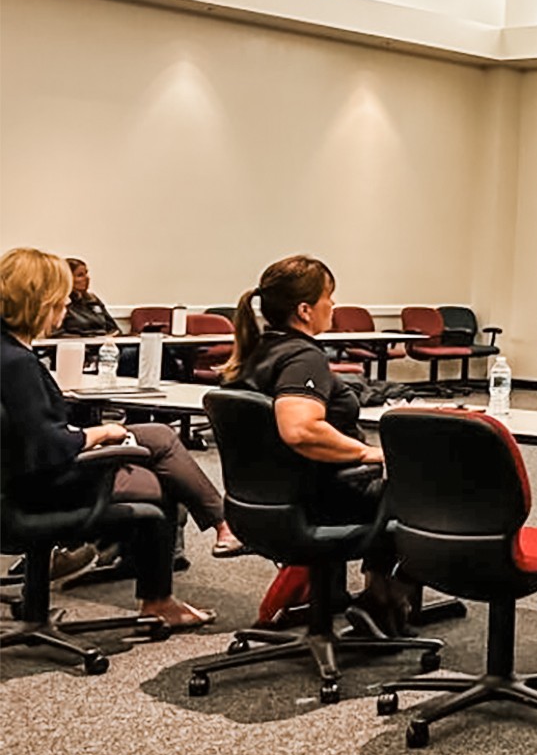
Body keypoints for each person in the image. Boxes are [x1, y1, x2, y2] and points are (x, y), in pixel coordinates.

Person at [0, 247, 215, 629]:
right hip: (34, 490)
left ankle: (211, 529)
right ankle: (158, 599)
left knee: (156, 441)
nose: (67, 305)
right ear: (41, 302)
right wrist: (103, 433)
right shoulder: (17, 364)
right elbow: (51, 446)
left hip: (15, 480)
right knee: (161, 487)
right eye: (62, 300)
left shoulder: (9, 352)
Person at [222, 254, 412, 632]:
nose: (334, 305)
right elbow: (300, 429)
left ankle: (368, 598)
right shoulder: (303, 356)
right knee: (426, 492)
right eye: (330, 297)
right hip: (317, 502)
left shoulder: (258, 351)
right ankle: (381, 598)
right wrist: (366, 452)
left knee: (392, 487)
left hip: (259, 505)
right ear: (306, 309)